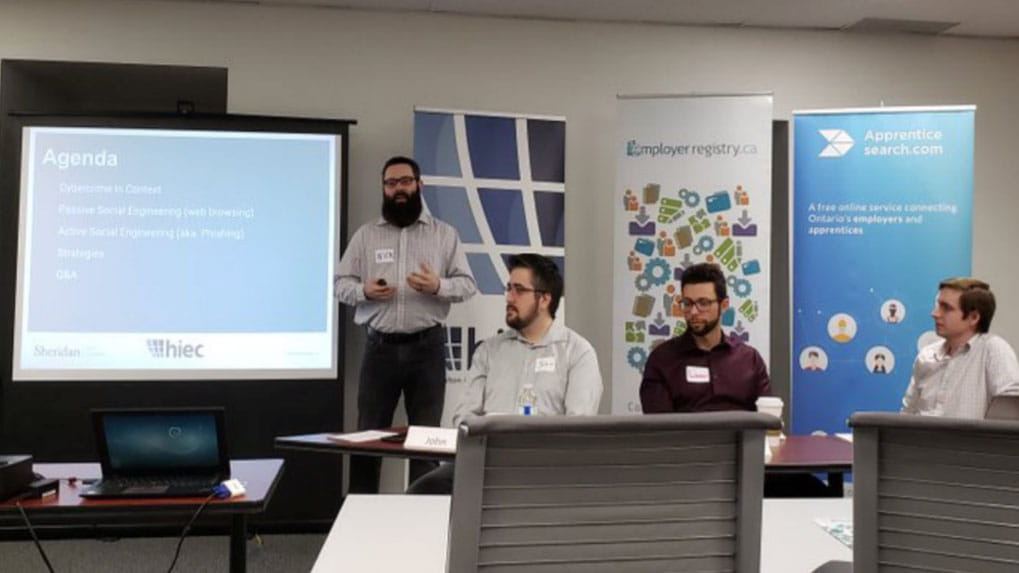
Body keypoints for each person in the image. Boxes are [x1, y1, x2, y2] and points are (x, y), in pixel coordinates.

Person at [335, 156, 477, 493]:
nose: (398, 189)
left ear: (419, 184)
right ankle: (361, 514)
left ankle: (422, 517)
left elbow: (468, 285)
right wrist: (363, 291)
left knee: (426, 441)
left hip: (426, 348)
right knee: (367, 438)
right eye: (391, 183)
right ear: (384, 188)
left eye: (405, 181)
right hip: (379, 348)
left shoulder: (445, 235)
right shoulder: (366, 236)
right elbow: (340, 284)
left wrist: (438, 286)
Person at [407, 253, 603, 494]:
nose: (509, 297)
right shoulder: (489, 350)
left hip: (545, 468)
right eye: (508, 288)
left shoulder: (577, 352)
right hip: (484, 462)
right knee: (423, 491)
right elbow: (463, 417)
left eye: (519, 290)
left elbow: (578, 429)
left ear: (544, 299)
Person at [640, 262, 771, 413]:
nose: (694, 311)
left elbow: (766, 421)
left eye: (704, 303)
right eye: (687, 303)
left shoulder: (749, 360)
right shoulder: (662, 360)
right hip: (685, 437)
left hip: (740, 436)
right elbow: (659, 430)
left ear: (724, 305)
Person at [901, 278, 1019, 418]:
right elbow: (908, 413)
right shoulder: (926, 355)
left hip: (969, 440)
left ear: (973, 317)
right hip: (920, 439)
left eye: (946, 308)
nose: (935, 314)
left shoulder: (993, 349)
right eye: (937, 305)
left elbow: (1010, 412)